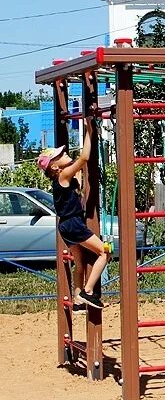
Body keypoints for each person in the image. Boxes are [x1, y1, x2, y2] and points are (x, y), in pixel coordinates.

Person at [37, 115, 107, 310]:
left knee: (81, 262)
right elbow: (84, 158)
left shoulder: (64, 178)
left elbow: (81, 183)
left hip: (65, 225)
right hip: (74, 223)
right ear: (54, 166)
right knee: (104, 252)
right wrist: (89, 131)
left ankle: (77, 299)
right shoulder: (64, 175)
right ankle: (88, 292)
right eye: (59, 155)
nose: (65, 153)